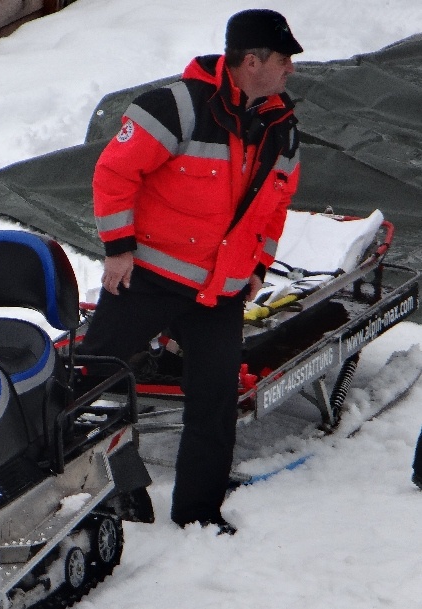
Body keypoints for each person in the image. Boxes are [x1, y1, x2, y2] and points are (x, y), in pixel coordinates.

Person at [78, 9, 303, 534]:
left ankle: (199, 514)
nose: (291, 69)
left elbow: (275, 207)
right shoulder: (173, 106)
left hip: (219, 292)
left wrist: (258, 267)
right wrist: (117, 249)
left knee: (215, 404)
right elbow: (113, 172)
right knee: (91, 382)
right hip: (148, 279)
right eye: (284, 58)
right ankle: (114, 493)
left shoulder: (282, 130)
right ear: (252, 61)